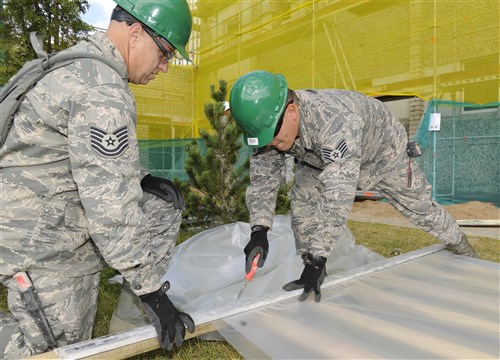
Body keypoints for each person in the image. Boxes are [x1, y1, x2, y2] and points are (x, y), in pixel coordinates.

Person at [0, 1, 195, 357]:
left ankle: (128, 318)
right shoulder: (102, 89)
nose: (165, 67)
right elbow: (112, 206)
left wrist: (142, 178)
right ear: (136, 34)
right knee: (59, 350)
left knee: (160, 205)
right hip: (39, 241)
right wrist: (153, 292)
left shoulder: (82, 66)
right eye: (165, 53)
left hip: (48, 211)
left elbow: (74, 155)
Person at [229, 70, 478, 303]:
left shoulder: (335, 120)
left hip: (383, 154)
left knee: (421, 208)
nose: (270, 143)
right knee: (302, 204)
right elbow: (263, 180)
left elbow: (337, 196)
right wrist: (259, 230)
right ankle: (313, 271)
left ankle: (465, 251)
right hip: (319, 157)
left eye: (273, 135)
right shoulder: (270, 126)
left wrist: (320, 254)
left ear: (292, 112)